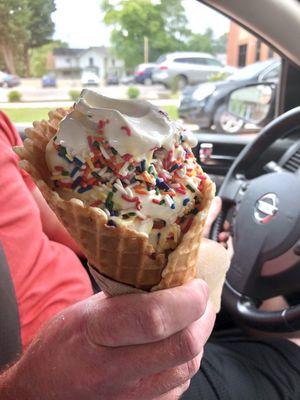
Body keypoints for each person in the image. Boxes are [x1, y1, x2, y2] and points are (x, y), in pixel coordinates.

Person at [0, 110, 300, 399]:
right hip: (62, 375)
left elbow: (55, 217)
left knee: (242, 315)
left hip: (99, 294)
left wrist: (169, 233)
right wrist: (29, 388)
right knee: (293, 355)